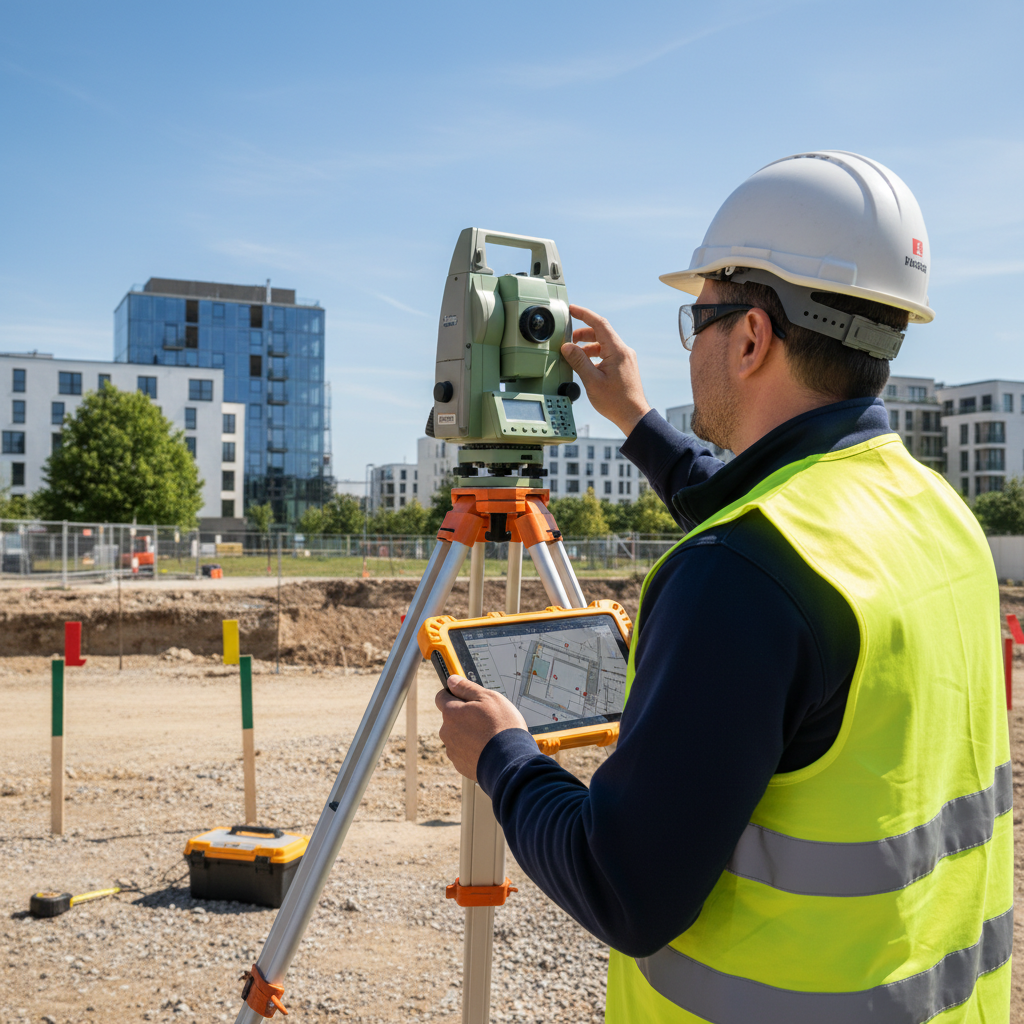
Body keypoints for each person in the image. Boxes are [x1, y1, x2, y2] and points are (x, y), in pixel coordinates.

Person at [436, 151, 1012, 1022]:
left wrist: (503, 760)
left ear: (751, 337)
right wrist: (635, 418)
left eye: (698, 318)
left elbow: (623, 889)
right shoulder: (938, 514)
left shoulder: (738, 574)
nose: (692, 340)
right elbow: (778, 500)